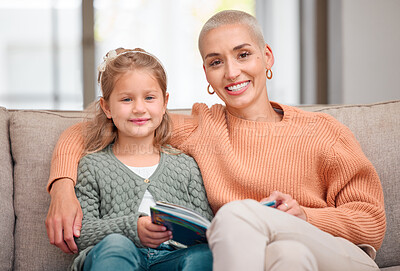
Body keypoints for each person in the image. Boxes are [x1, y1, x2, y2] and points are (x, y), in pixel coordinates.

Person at [46, 10, 386, 271]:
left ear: (266, 57)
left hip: (335, 254)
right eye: (215, 62)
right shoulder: (201, 127)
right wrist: (62, 186)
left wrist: (306, 218)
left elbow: (372, 222)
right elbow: (93, 128)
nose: (232, 72)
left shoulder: (324, 131)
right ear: (206, 74)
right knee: (285, 254)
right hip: (272, 257)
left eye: (243, 55)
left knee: (238, 217)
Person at [66, 47, 213, 271]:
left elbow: (206, 227)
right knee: (116, 245)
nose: (139, 108)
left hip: (172, 260)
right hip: (119, 256)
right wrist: (133, 228)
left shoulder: (186, 165)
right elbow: (82, 233)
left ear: (164, 103)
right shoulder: (93, 166)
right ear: (106, 107)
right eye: (126, 99)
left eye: (149, 98)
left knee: (203, 255)